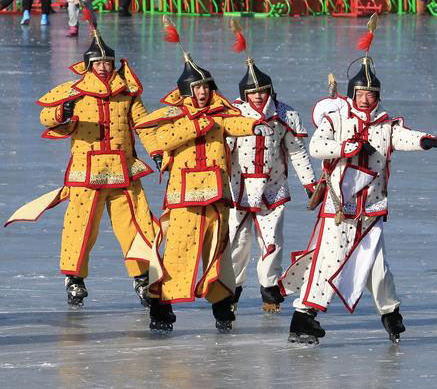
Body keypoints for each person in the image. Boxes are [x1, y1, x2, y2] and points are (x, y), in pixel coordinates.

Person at [280, 23, 437, 345]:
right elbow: (316, 147)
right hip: (340, 207)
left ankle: (390, 313)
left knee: (377, 265)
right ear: (353, 94)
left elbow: (401, 136)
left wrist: (423, 140)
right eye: (362, 94)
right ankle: (303, 317)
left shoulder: (385, 123)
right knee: (329, 260)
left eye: (372, 94)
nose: (367, 99)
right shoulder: (337, 120)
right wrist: (348, 147)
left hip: (372, 207)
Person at [135, 48, 270, 332]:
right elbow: (162, 139)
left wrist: (254, 125)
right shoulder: (174, 115)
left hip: (217, 195)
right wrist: (197, 125)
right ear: (187, 90)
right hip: (183, 197)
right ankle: (161, 308)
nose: (203, 92)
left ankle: (222, 307)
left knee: (218, 253)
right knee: (177, 252)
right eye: (197, 87)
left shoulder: (219, 113)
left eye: (206, 87)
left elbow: (233, 123)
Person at [31, 26, 160, 308]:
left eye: (107, 62)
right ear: (89, 65)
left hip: (124, 170)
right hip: (86, 173)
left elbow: (144, 125)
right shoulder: (75, 91)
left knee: (135, 225)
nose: (103, 67)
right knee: (81, 227)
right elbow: (45, 116)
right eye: (98, 62)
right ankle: (74, 279)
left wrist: (158, 152)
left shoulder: (127, 93)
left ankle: (142, 277)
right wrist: (61, 112)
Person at [227, 58, 317, 314]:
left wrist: (310, 183)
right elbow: (222, 151)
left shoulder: (284, 115)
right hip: (238, 189)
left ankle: (269, 291)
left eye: (262, 90)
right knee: (237, 243)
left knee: (272, 242)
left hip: (272, 189)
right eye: (253, 91)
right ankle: (231, 292)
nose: (258, 96)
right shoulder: (233, 114)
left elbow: (297, 152)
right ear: (245, 93)